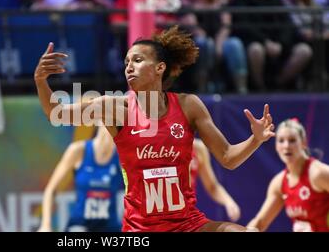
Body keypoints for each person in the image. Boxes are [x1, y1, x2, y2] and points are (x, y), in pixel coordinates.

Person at [34, 25, 275, 232]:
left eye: (138, 60)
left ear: (160, 68)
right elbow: (57, 114)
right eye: (126, 62)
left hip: (187, 224)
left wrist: (255, 140)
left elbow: (228, 158)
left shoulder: (188, 105)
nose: (129, 67)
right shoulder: (116, 108)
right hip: (141, 229)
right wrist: (41, 80)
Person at [247, 119, 329, 232]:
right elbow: (260, 222)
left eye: (292, 140)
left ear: (304, 143)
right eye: (281, 141)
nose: (286, 146)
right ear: (276, 146)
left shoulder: (318, 174)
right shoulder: (279, 183)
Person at [38, 126, 123, 232]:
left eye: (117, 120)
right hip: (80, 225)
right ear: (98, 120)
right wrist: (46, 225)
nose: (111, 125)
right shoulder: (78, 150)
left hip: (110, 227)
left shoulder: (121, 155)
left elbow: (137, 190)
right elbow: (51, 190)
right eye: (107, 117)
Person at [190, 138, 241, 222]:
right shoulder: (163, 148)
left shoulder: (198, 148)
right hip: (164, 214)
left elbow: (212, 186)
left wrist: (229, 202)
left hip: (187, 213)